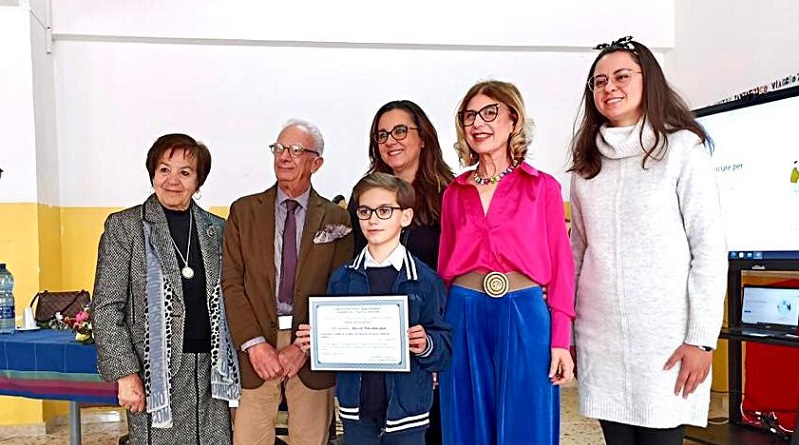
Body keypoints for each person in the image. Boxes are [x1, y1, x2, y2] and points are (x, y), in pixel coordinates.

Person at [569, 36, 727, 445]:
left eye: (622, 76)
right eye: (599, 82)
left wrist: (702, 340)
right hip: (600, 338)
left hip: (666, 340)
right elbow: (577, 253)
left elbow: (708, 250)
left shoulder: (682, 149)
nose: (609, 88)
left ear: (648, 81)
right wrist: (565, 331)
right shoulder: (587, 165)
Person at [437, 80, 575, 445]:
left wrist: (561, 339)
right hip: (462, 311)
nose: (477, 124)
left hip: (525, 310)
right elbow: (443, 270)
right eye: (469, 116)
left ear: (513, 119)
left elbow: (562, 266)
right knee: (465, 420)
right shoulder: (455, 192)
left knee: (527, 423)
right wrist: (438, 335)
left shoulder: (542, 187)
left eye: (489, 113)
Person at [92, 133, 240, 445]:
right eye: (164, 169)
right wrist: (125, 374)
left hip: (212, 371)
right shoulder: (126, 226)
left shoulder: (217, 229)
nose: (173, 180)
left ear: (198, 182)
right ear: (152, 174)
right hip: (155, 372)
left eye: (185, 172)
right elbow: (106, 307)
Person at [222, 119, 354, 445]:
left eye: (296, 150)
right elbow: (231, 282)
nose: (284, 156)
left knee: (310, 439)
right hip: (255, 345)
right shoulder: (244, 211)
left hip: (311, 345)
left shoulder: (337, 218)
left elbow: (340, 289)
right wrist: (253, 344)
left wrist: (305, 347)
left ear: (316, 162)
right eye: (279, 148)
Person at [296, 172, 452, 445]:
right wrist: (316, 343)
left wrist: (426, 344)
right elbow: (333, 351)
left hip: (407, 412)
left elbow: (444, 351)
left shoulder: (426, 280)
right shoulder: (342, 278)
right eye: (365, 211)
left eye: (384, 210)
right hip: (356, 411)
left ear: (405, 217)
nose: (373, 219)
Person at [349, 100, 454, 444]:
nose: (390, 140)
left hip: (427, 340)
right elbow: (354, 268)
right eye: (381, 135)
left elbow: (458, 269)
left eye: (399, 131)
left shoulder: (450, 195)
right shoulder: (363, 195)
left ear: (423, 137)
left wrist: (436, 348)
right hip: (375, 347)